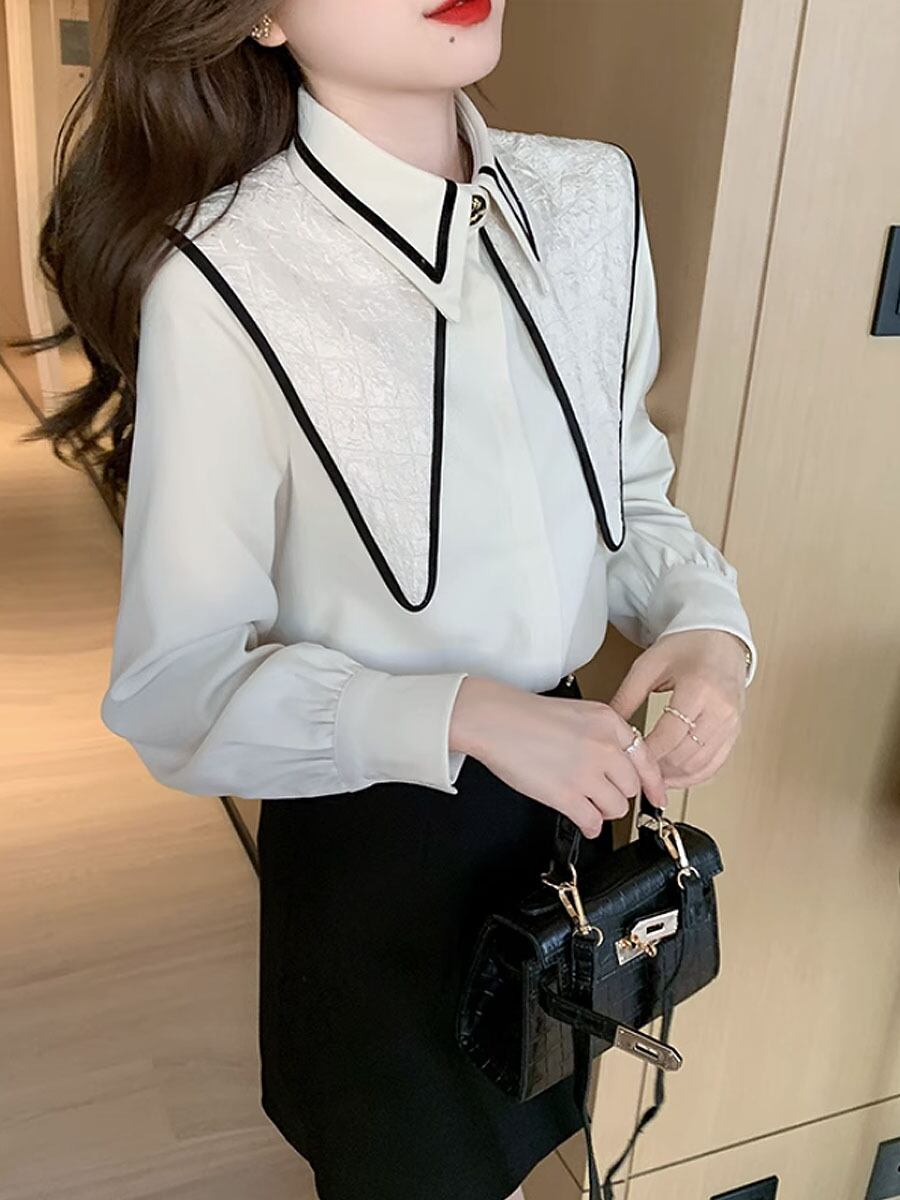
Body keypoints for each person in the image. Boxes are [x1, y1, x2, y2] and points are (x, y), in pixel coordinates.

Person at [16, 1, 757, 1197]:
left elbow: (624, 492)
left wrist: (708, 624)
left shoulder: (588, 200)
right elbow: (175, 684)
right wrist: (465, 713)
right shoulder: (221, 272)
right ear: (259, 14)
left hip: (570, 800)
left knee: (535, 1120)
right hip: (378, 836)